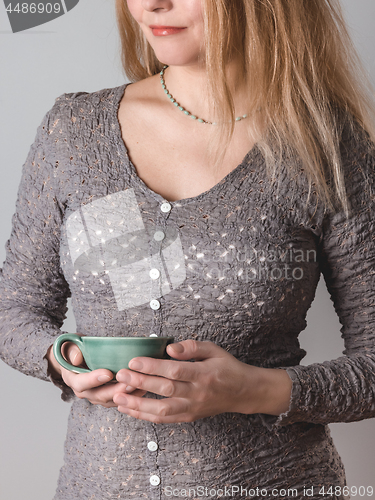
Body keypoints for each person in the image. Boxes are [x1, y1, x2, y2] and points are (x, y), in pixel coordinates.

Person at [1, 0, 375, 498]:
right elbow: (14, 312)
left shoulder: (327, 144)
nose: (153, 4)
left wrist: (251, 390)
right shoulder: (74, 133)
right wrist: (63, 360)